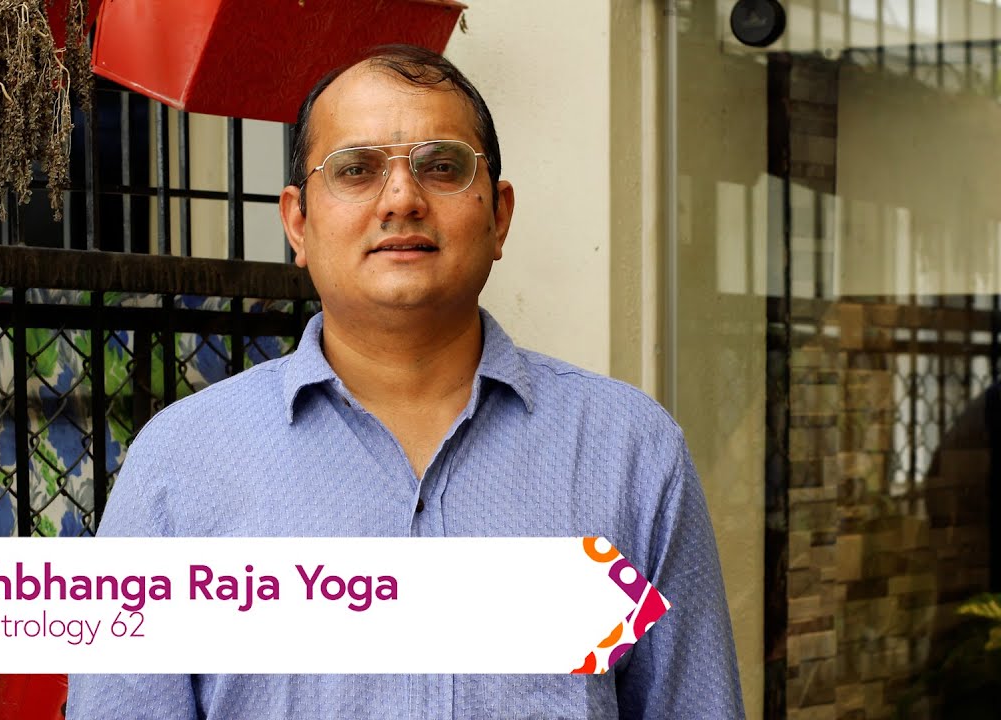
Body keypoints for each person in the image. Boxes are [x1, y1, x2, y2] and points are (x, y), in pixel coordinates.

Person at [67, 44, 744, 719]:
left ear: (499, 215)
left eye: (441, 166)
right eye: (356, 169)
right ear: (298, 223)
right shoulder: (182, 465)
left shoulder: (629, 452)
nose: (401, 198)